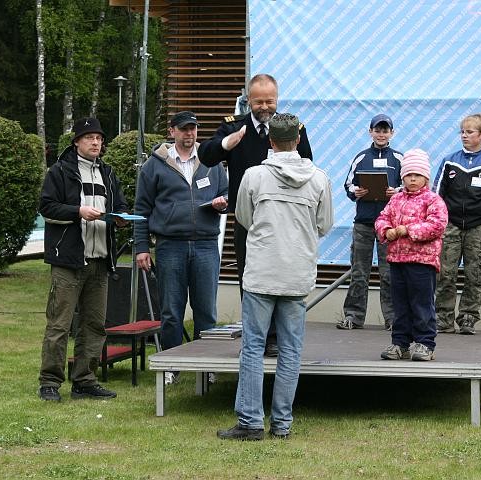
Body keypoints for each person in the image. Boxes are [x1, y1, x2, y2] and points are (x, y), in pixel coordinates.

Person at [217, 113, 333, 441]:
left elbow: (244, 218)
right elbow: (324, 224)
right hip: (297, 273)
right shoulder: (319, 178)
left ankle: (250, 422)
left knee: (253, 347)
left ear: (270, 141)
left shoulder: (254, 176)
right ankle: (282, 424)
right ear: (297, 140)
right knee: (291, 350)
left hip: (262, 272)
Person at [198, 73, 313, 356]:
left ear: (277, 99)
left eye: (270, 101)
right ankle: (254, 339)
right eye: (259, 101)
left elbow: (307, 163)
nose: (265, 107)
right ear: (248, 100)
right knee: (249, 279)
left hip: (283, 219)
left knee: (279, 278)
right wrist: (227, 144)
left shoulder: (291, 128)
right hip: (247, 220)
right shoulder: (234, 127)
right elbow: (206, 155)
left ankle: (275, 338)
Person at [37, 117, 129, 402]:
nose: (95, 143)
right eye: (89, 138)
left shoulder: (108, 173)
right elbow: (47, 207)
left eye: (99, 138)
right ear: (76, 141)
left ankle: (85, 381)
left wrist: (122, 218)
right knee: (60, 324)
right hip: (68, 261)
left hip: (100, 261)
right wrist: (78, 212)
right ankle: (49, 382)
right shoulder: (60, 171)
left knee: (94, 325)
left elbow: (120, 205)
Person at [134, 111, 228, 385]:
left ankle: (205, 366)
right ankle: (171, 366)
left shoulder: (212, 162)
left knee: (206, 311)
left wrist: (223, 203)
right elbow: (141, 209)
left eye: (193, 129)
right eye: (184, 129)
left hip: (206, 245)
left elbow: (227, 194)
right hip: (170, 245)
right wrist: (141, 247)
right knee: (171, 312)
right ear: (172, 131)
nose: (190, 133)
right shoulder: (154, 165)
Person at [433, 113, 481, 335]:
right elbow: (436, 197)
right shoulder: (449, 161)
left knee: (475, 274)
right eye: (462, 132)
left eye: (469, 132)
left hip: (480, 227)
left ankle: (468, 317)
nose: (464, 136)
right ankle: (443, 318)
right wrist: (436, 227)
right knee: (444, 273)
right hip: (451, 225)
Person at [375, 149, 448, 361]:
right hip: (397, 260)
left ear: (426, 177)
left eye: (417, 175)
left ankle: (425, 343)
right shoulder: (396, 199)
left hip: (422, 261)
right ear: (402, 177)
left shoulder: (433, 200)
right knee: (400, 304)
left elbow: (437, 225)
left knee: (422, 303)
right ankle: (400, 343)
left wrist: (408, 230)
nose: (412, 179)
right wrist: (386, 230)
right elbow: (382, 218)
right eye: (408, 175)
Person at [337, 114, 403, 331]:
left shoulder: (399, 158)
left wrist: (397, 192)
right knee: (359, 272)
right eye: (377, 130)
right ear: (370, 132)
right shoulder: (361, 157)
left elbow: (410, 186)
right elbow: (348, 185)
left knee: (389, 273)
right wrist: (356, 191)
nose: (381, 134)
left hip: (389, 225)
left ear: (392, 133)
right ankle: (353, 317)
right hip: (363, 222)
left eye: (385, 131)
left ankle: (393, 319)